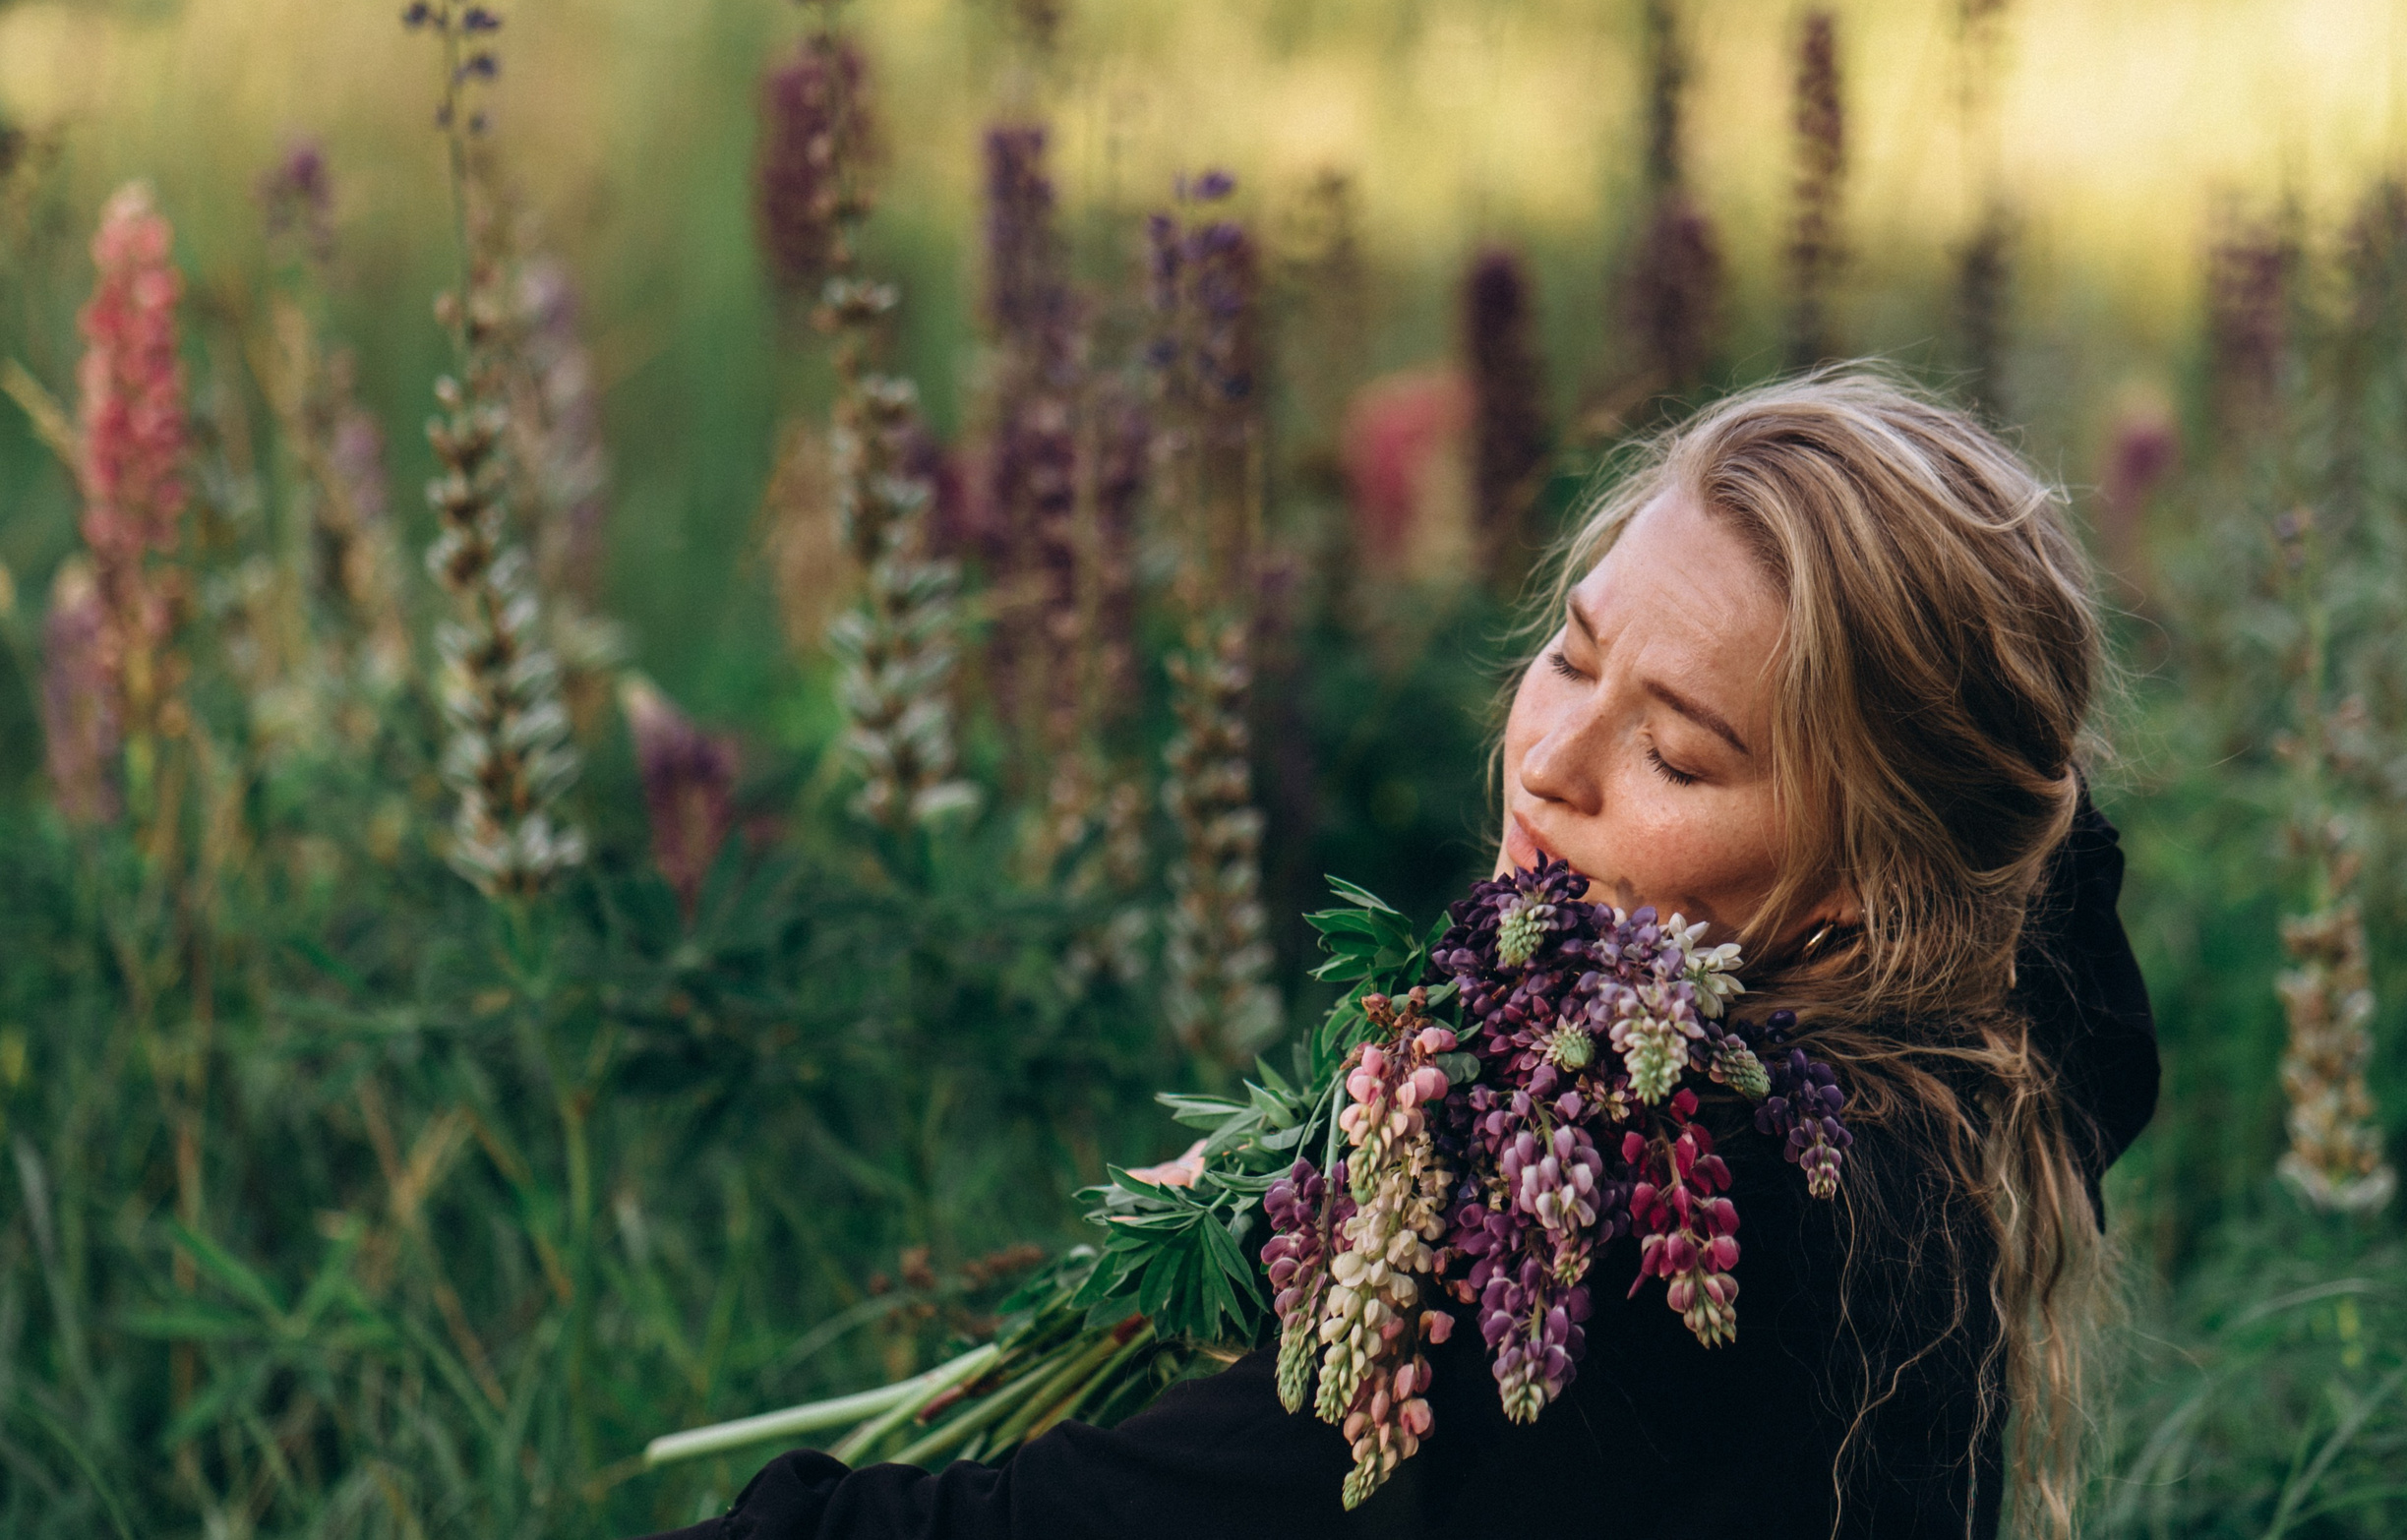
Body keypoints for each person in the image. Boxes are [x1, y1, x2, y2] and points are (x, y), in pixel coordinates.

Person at [634, 371, 2158, 1540]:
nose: (1550, 759)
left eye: (1677, 755)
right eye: (1573, 654)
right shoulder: (1951, 1070)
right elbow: (2049, 879)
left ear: (1860, 893)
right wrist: (1287, 1202)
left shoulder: (1660, 1219)